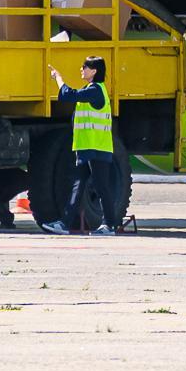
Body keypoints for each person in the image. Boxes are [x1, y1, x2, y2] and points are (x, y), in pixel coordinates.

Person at [43, 57, 120, 236]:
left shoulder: (95, 90)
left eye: (84, 67)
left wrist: (58, 78)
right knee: (77, 186)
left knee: (101, 187)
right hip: (87, 147)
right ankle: (64, 224)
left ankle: (110, 226)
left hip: (97, 148)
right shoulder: (90, 89)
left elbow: (69, 94)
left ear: (94, 71)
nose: (81, 69)